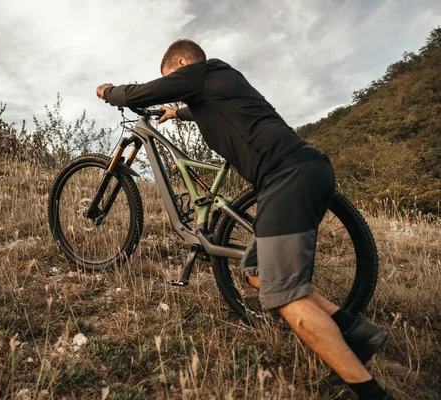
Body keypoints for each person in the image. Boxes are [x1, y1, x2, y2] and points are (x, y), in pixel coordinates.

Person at [96, 39, 392, 400]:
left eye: (174, 77)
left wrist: (109, 91)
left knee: (283, 293)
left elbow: (141, 92)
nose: (178, 87)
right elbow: (205, 109)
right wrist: (177, 113)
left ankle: (369, 392)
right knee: (256, 272)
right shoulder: (219, 84)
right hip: (299, 172)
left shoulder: (202, 71)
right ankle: (357, 333)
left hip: (288, 176)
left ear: (183, 62)